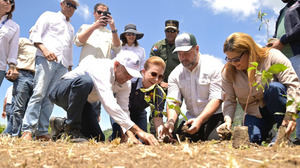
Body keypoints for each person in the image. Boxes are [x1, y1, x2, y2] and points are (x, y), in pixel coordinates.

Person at [49, 52, 159, 145]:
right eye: (126, 73)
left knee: (98, 138)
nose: (128, 78)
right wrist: (139, 131)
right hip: (62, 92)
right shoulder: (102, 68)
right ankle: (72, 130)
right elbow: (109, 103)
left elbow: (124, 110)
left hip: (83, 103)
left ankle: (60, 124)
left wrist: (130, 136)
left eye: (132, 75)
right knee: (85, 82)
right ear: (116, 65)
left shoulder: (126, 84)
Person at [217, 32, 300, 145]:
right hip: (255, 113)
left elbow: (293, 85)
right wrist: (227, 120)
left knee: (273, 88)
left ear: (249, 51)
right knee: (251, 141)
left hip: (277, 104)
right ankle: (267, 133)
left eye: (236, 59)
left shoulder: (272, 56)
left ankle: (283, 133)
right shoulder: (228, 72)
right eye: (229, 59)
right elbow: (229, 100)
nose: (233, 63)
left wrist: (290, 114)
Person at [21, 0, 79, 141]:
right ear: (61, 4)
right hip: (46, 59)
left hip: (62, 65)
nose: (71, 7)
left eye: (74, 6)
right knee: (39, 93)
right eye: (68, 4)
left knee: (50, 98)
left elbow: (69, 48)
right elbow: (35, 34)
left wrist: (69, 66)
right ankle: (28, 130)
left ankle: (41, 131)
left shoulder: (71, 28)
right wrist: (45, 50)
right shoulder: (48, 15)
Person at [159, 33, 224, 142]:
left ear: (197, 49)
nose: (183, 57)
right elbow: (173, 102)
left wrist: (200, 119)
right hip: (190, 118)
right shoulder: (175, 74)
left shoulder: (214, 66)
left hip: (214, 116)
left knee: (214, 142)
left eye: (186, 53)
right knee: (178, 142)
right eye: (179, 54)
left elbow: (216, 98)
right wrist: (170, 122)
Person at [109, 56, 166, 142]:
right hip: (120, 111)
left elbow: (157, 118)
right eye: (153, 74)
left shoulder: (159, 93)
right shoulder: (130, 82)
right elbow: (121, 111)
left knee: (143, 141)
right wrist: (129, 135)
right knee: (121, 138)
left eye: (160, 76)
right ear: (143, 72)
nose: (156, 79)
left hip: (139, 114)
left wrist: (162, 135)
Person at [268, 0, 300, 144]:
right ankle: (290, 136)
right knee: (290, 96)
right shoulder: (283, 11)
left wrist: (282, 40)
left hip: (297, 55)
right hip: (284, 60)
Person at [10, 38, 37, 137]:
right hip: (22, 74)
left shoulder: (40, 48)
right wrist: (12, 68)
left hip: (36, 77)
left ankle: (28, 134)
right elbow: (12, 53)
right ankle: (15, 135)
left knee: (32, 107)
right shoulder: (22, 41)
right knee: (19, 108)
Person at [150, 20, 180, 89]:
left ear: (177, 32)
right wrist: (159, 82)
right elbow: (151, 66)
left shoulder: (182, 48)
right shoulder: (157, 46)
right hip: (158, 84)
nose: (170, 33)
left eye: (173, 31)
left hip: (177, 86)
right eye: (167, 31)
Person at [0, 0, 19, 86]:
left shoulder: (14, 26)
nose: (8, 2)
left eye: (11, 1)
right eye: (5, 0)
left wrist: (12, 66)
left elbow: (13, 48)